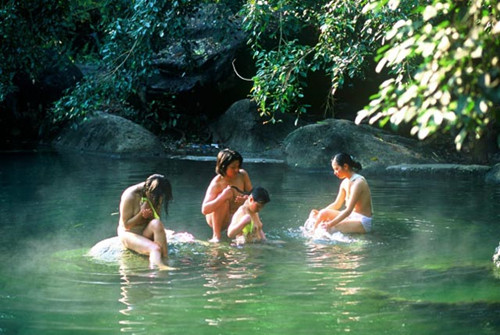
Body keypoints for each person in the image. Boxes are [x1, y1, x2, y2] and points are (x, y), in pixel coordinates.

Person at [117, 174, 175, 270]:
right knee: (155, 248)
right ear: (148, 189)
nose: (157, 199)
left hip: (145, 231)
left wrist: (150, 215)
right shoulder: (130, 195)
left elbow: (156, 218)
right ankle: (159, 267)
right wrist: (141, 214)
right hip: (129, 233)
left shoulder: (157, 194)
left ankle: (165, 258)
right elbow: (126, 225)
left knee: (157, 223)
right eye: (154, 196)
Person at [308, 153, 373, 234]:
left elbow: (348, 210)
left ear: (345, 166)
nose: (335, 172)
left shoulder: (358, 182)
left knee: (327, 230)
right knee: (322, 214)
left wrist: (329, 224)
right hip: (350, 216)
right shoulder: (344, 182)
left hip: (362, 221)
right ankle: (312, 233)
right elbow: (336, 204)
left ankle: (318, 239)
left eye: (336, 169)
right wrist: (319, 213)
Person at [201, 148, 253, 242]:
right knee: (223, 201)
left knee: (251, 204)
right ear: (223, 166)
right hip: (219, 220)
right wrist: (222, 197)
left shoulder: (242, 175)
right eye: (233, 167)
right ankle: (216, 236)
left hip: (236, 216)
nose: (236, 170)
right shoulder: (217, 183)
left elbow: (253, 195)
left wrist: (246, 199)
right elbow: (204, 210)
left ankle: (241, 235)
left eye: (238, 166)